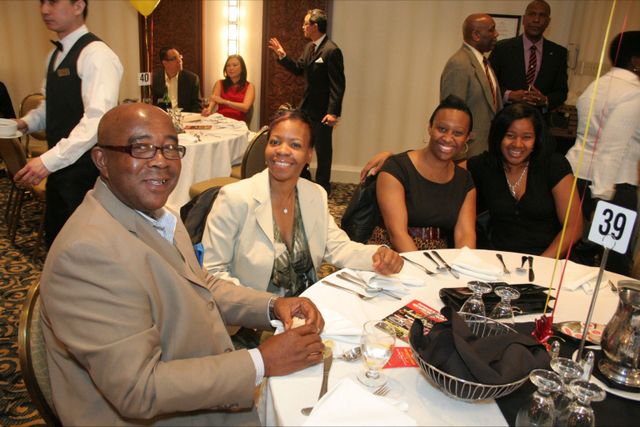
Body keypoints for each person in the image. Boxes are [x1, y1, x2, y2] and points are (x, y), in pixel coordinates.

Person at [39, 103, 326, 426]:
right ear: (102, 160)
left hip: (198, 381)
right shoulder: (87, 253)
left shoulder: (157, 216)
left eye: (170, 148)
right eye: (141, 148)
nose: (160, 160)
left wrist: (273, 305)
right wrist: (261, 362)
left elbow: (202, 285)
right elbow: (140, 389)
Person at [201, 108, 403, 298]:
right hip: (255, 315)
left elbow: (338, 247)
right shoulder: (235, 198)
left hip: (308, 305)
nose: (282, 150)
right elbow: (211, 272)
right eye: (275, 142)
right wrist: (268, 306)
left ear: (309, 155)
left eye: (295, 145)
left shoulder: (315, 194)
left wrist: (378, 254)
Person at [362, 103, 583, 258]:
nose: (517, 144)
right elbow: (434, 162)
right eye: (509, 136)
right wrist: (394, 159)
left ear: (536, 140)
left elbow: (574, 226)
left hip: (548, 259)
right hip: (498, 261)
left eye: (527, 137)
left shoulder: (553, 166)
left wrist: (542, 263)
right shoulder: (485, 166)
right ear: (498, 137)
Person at [13, 0, 123, 247]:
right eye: (42, 2)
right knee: (58, 241)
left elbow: (97, 120)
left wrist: (48, 160)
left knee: (83, 248)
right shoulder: (54, 55)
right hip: (60, 167)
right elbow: (50, 107)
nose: (44, 10)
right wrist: (24, 123)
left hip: (86, 171)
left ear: (78, 6)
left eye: (53, 2)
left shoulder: (97, 55)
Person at [565, 31, 640, 275]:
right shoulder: (634, 92)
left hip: (578, 176)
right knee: (613, 263)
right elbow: (612, 147)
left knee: (578, 257)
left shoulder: (596, 85)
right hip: (612, 186)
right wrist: (602, 199)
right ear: (636, 61)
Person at [373, 95, 477, 252]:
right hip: (391, 253)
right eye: (442, 129)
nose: (448, 138)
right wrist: (423, 266)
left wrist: (465, 263)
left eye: (458, 133)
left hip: (437, 256)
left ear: (467, 138)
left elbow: (465, 234)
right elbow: (397, 233)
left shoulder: (464, 180)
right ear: (430, 127)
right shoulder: (397, 168)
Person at [268, 8, 345, 194]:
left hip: (323, 113)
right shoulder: (309, 47)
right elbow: (298, 68)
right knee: (302, 146)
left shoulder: (332, 50)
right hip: (306, 110)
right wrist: (282, 55)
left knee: (323, 152)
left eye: (305, 24)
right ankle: (302, 183)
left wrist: (333, 112)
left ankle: (323, 189)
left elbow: (338, 85)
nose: (302, 27)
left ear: (315, 26)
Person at [489, 0, 568, 112]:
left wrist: (545, 100)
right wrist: (509, 95)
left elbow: (561, 92)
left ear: (548, 22)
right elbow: (488, 84)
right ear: (524, 19)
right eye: (532, 14)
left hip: (539, 119)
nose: (536, 20)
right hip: (506, 116)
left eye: (542, 15)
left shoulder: (559, 53)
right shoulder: (502, 48)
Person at [440, 13, 502, 158]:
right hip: (467, 153)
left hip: (486, 151)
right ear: (476, 35)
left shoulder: (484, 63)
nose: (496, 34)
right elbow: (452, 115)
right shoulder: (459, 64)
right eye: (492, 30)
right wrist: (458, 157)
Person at [201, 54, 255, 123]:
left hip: (237, 122)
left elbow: (245, 107)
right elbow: (213, 101)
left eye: (235, 65)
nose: (231, 68)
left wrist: (224, 101)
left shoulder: (250, 86)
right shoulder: (219, 83)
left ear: (242, 68)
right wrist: (207, 110)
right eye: (228, 65)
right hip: (219, 120)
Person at [152, 47, 201, 113]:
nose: (179, 61)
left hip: (185, 117)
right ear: (165, 63)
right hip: (163, 117)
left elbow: (197, 106)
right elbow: (153, 104)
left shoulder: (192, 79)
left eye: (179, 57)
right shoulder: (155, 79)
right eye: (174, 58)